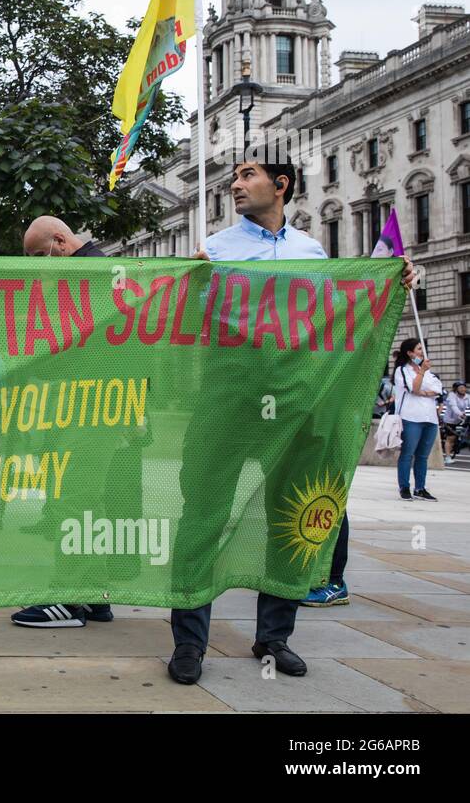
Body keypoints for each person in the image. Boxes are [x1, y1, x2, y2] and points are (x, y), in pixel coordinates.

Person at [167, 144, 415, 686]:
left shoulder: (312, 252)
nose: (235, 184)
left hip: (295, 404)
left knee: (292, 519)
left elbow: (334, 320)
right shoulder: (213, 250)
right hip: (229, 399)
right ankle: (189, 643)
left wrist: (392, 282)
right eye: (234, 176)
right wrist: (189, 285)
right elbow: (186, 325)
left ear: (280, 186)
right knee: (202, 515)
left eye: (247, 175)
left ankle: (275, 638)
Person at [10, 216, 115, 627]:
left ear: (60, 240)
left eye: (40, 255)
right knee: (88, 497)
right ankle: (95, 593)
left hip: (93, 405)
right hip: (91, 404)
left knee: (73, 497)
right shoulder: (89, 273)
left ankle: (70, 598)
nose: (39, 265)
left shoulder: (91, 276)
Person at [394, 338, 441, 501]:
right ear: (410, 353)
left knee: (423, 456)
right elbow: (413, 388)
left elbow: (438, 390)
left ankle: (420, 488)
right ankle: (404, 487)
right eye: (419, 349)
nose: (422, 351)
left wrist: (424, 391)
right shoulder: (402, 370)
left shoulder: (429, 372)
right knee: (408, 454)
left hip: (430, 418)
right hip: (411, 417)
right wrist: (421, 374)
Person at [441, 381, 468, 462]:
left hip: (461, 420)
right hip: (450, 421)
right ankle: (447, 457)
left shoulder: (467, 396)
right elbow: (454, 407)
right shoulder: (451, 396)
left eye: (464, 387)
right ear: (456, 389)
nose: (463, 389)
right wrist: (460, 414)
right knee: (451, 438)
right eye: (460, 388)